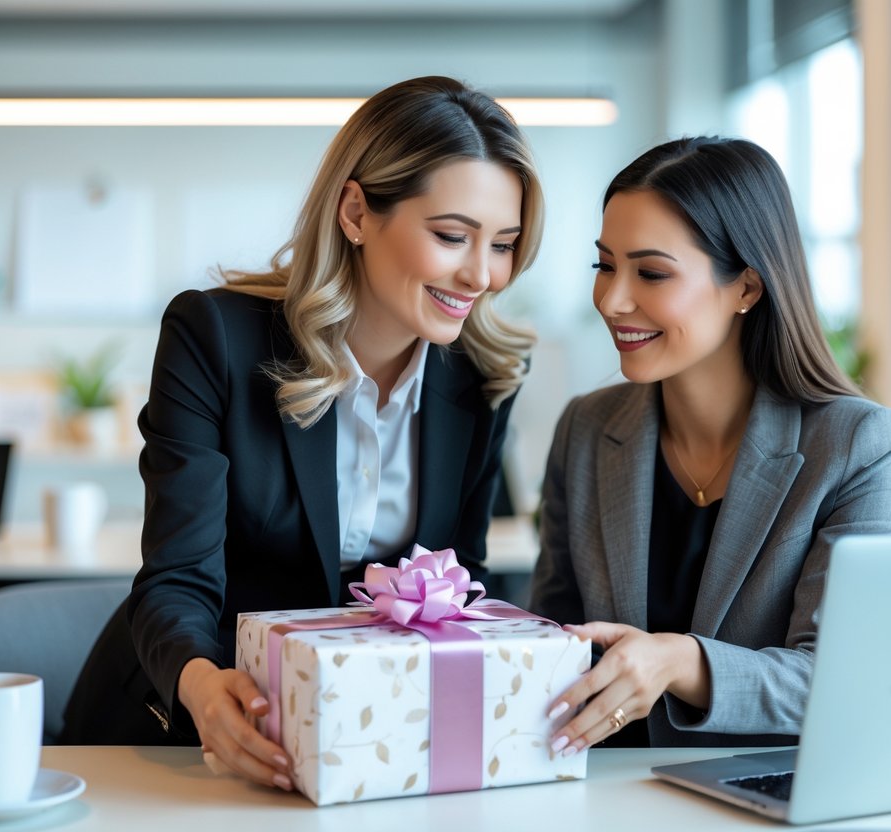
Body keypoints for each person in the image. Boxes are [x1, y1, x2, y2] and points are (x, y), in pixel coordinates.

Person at [62, 76, 544, 791]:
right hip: (199, 722)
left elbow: (455, 583)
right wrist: (201, 687)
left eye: (502, 244)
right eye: (451, 236)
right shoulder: (215, 338)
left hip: (368, 740)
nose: (481, 274)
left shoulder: (481, 374)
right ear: (356, 211)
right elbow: (177, 579)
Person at [530, 136, 891, 752]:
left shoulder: (856, 444)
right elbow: (553, 647)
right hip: (603, 799)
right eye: (605, 265)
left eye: (651, 272)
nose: (612, 299)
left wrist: (681, 662)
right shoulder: (586, 430)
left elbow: (841, 680)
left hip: (760, 800)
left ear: (747, 289)